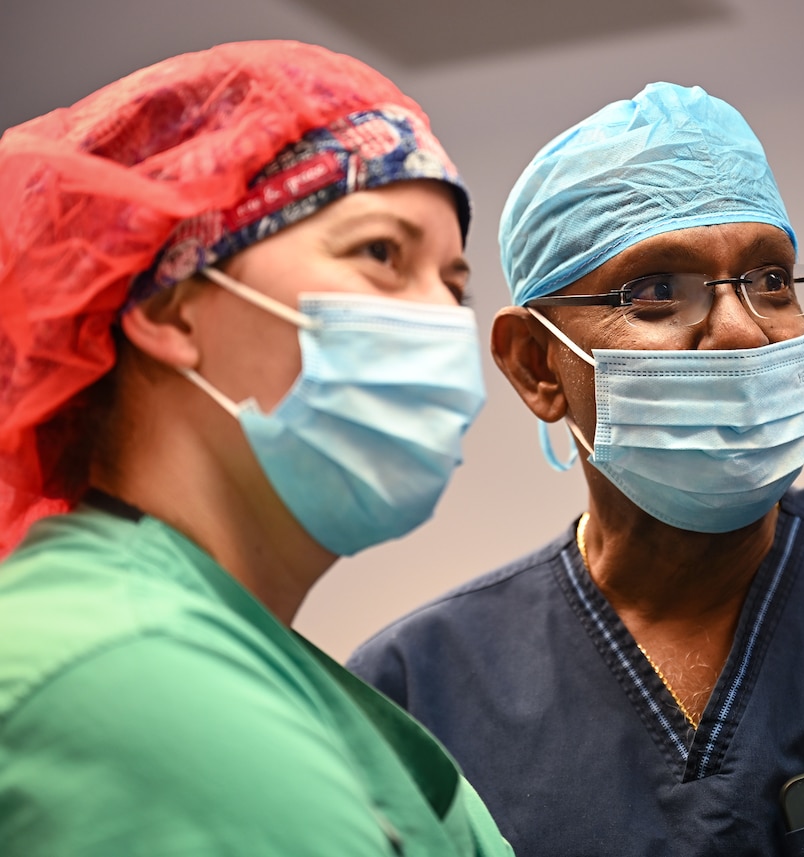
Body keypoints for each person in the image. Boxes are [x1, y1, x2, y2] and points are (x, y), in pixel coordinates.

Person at [348, 82, 804, 857]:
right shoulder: (417, 694)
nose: (744, 331)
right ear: (538, 366)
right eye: (656, 292)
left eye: (772, 280)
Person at [0, 40, 512, 856]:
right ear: (171, 310)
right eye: (381, 253)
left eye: (455, 285)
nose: (444, 322)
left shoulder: (241, 653)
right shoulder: (127, 672)